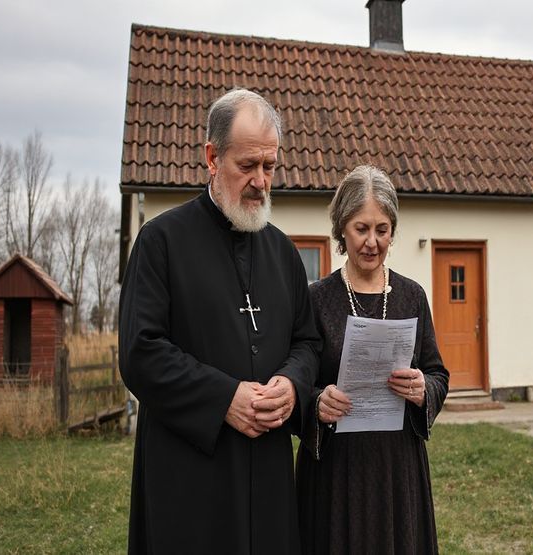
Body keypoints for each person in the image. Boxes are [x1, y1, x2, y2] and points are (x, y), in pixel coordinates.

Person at [119, 88, 320, 554]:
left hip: (267, 476)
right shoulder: (160, 242)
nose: (260, 181)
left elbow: (308, 342)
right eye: (246, 166)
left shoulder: (284, 253)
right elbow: (140, 351)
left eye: (269, 166)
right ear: (212, 157)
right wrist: (224, 397)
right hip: (189, 480)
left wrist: (291, 385)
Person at [295, 165, 450, 554]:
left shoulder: (411, 296)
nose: (372, 241)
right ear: (342, 230)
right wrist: (317, 402)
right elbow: (297, 380)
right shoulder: (316, 300)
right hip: (336, 469)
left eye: (382, 229)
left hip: (397, 467)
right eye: (361, 229)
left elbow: (437, 373)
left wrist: (422, 388)